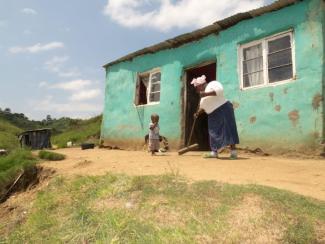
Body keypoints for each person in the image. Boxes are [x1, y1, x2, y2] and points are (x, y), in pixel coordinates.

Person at [191, 75, 239, 159]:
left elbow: (219, 91)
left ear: (201, 85)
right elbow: (203, 107)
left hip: (224, 108)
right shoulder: (202, 97)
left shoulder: (212, 84)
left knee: (228, 129)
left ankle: (233, 152)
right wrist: (197, 113)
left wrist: (205, 94)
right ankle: (214, 152)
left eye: (197, 87)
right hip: (212, 113)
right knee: (212, 132)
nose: (197, 90)